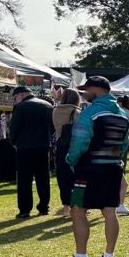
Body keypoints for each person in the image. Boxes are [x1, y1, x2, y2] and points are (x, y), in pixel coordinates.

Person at [62, 76, 129, 257]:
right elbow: (124, 144)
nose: (84, 93)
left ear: (96, 89)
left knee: (78, 209)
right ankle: (109, 255)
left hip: (89, 168)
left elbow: (79, 142)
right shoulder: (122, 114)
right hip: (113, 168)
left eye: (87, 89)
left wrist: (71, 160)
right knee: (110, 211)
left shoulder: (90, 112)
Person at [9, 86, 54, 218]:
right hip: (43, 145)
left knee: (24, 179)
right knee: (43, 178)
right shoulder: (47, 105)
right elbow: (52, 127)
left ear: (21, 95)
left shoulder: (21, 107)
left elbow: (14, 127)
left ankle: (24, 209)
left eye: (15, 98)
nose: (15, 101)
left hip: (25, 147)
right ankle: (44, 207)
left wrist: (14, 142)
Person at [52, 88, 82, 217]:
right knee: (77, 176)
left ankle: (65, 207)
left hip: (61, 145)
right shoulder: (77, 111)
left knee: (63, 176)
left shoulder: (55, 110)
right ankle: (77, 205)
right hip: (74, 146)